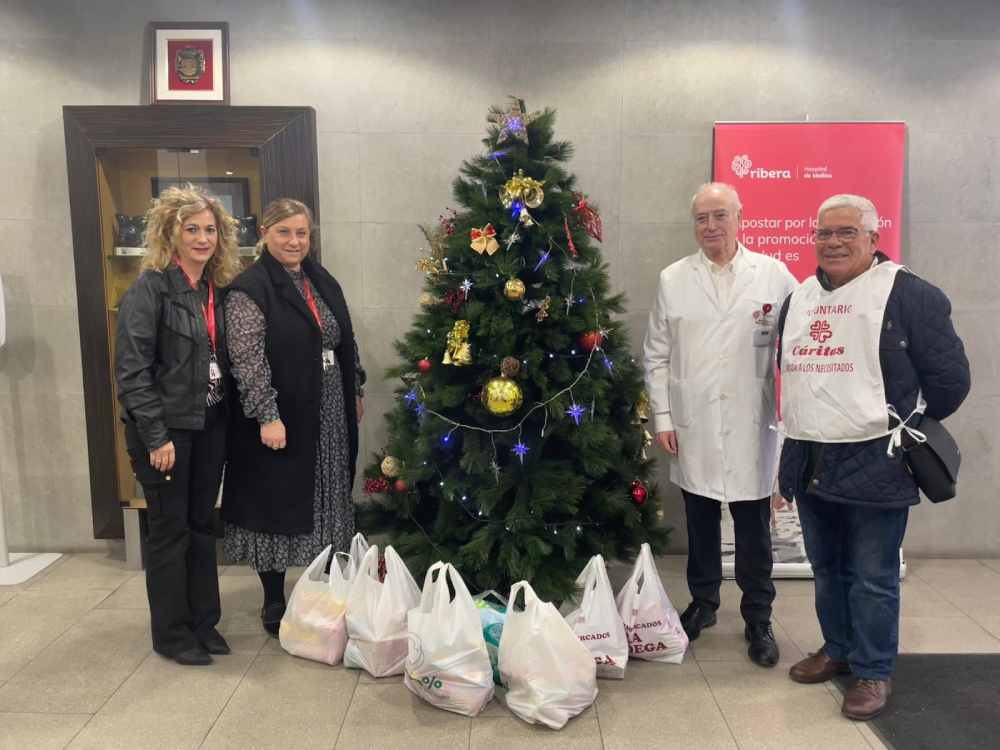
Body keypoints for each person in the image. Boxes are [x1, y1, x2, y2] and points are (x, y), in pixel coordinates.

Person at [778, 194, 970, 719]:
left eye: (847, 232)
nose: (833, 242)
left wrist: (904, 424)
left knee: (873, 573)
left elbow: (951, 381)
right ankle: (838, 648)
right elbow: (789, 371)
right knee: (826, 567)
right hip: (812, 455)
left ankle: (873, 670)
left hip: (877, 459)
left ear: (873, 238)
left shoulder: (910, 296)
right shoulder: (800, 299)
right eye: (824, 233)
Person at [643, 182, 798, 667]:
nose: (710, 226)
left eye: (719, 215)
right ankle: (704, 602)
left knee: (753, 525)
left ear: (739, 217)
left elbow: (797, 348)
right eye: (701, 218)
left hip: (753, 420)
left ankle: (758, 616)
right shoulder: (674, 278)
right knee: (702, 519)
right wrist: (663, 417)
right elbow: (656, 355)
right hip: (694, 422)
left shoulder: (774, 275)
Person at [223, 198, 365, 636]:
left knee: (328, 493)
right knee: (276, 500)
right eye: (284, 232)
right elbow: (247, 360)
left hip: (329, 407)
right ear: (264, 233)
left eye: (301, 233)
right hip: (281, 412)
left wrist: (355, 387)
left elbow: (345, 338)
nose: (294, 241)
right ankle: (273, 597)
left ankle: (328, 587)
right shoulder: (249, 289)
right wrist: (267, 414)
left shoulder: (321, 279)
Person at [115, 185, 242, 665]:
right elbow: (132, 371)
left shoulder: (214, 289)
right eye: (192, 229)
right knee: (170, 532)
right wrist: (156, 436)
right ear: (170, 233)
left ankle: (204, 624)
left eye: (210, 229)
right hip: (166, 431)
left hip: (209, 425)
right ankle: (172, 634)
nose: (202, 238)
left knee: (202, 526)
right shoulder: (150, 289)